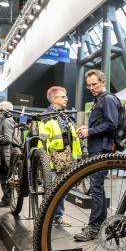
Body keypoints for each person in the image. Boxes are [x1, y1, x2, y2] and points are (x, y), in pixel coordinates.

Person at [75, 69, 119, 241]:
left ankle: (93, 228)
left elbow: (112, 124)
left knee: (96, 188)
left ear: (103, 82)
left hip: (102, 149)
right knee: (97, 188)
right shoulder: (98, 100)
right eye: (89, 85)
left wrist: (90, 131)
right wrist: (87, 130)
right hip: (97, 148)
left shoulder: (107, 99)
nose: (92, 87)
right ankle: (100, 225)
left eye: (95, 84)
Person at [40, 86, 81, 226]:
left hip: (67, 159)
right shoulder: (45, 117)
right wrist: (43, 162)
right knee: (50, 192)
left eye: (66, 96)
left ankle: (58, 217)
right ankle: (45, 221)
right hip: (51, 160)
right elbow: (42, 142)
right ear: (54, 99)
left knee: (62, 190)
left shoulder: (66, 116)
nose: (66, 98)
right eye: (63, 96)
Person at [0, 101, 15, 208]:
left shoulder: (6, 121)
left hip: (6, 153)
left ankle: (7, 200)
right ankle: (6, 199)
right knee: (6, 177)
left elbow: (8, 139)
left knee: (5, 178)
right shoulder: (7, 120)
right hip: (5, 153)